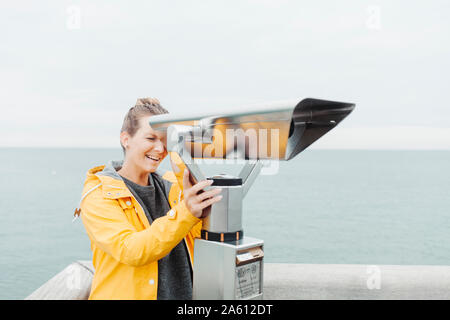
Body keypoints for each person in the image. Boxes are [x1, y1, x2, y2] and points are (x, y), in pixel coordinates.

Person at [77, 97, 223, 300]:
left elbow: (200, 238)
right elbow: (132, 250)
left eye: (165, 141)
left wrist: (183, 170)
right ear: (125, 139)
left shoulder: (172, 184)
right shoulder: (98, 195)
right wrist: (186, 212)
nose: (160, 149)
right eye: (151, 139)